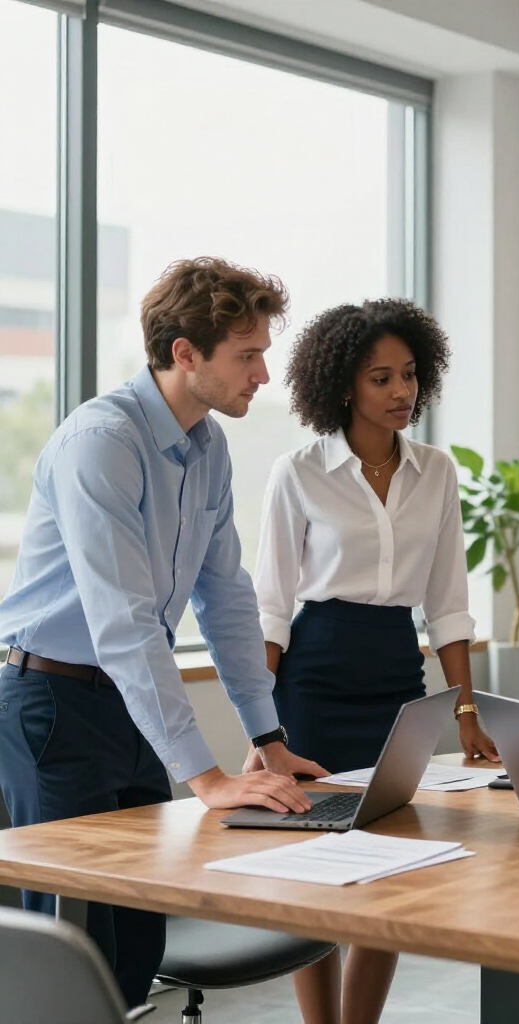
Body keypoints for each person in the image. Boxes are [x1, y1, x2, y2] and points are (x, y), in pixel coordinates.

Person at [0, 257, 326, 1010]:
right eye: (247, 355)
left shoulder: (207, 448)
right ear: (185, 353)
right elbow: (124, 622)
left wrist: (267, 736)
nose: (264, 375)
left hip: (127, 711)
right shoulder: (102, 442)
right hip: (53, 705)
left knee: (138, 940)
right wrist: (205, 777)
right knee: (71, 959)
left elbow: (227, 599)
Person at [252, 298, 498, 1024]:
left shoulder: (438, 472)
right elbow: (271, 607)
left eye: (411, 375)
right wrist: (260, 730)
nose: (401, 393)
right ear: (343, 387)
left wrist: (466, 710)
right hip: (315, 677)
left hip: (398, 676)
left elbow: (448, 605)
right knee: (314, 871)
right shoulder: (297, 472)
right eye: (381, 378)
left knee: (390, 867)